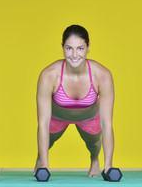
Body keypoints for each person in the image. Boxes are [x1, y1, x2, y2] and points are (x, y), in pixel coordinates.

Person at [35, 25, 116, 177]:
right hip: (57, 117)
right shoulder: (49, 75)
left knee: (93, 144)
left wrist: (109, 166)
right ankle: (41, 160)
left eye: (80, 48)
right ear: (62, 47)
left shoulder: (102, 75)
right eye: (69, 48)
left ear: (88, 47)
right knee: (48, 142)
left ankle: (94, 160)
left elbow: (106, 124)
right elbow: (43, 123)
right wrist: (44, 168)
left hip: (88, 117)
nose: (74, 55)